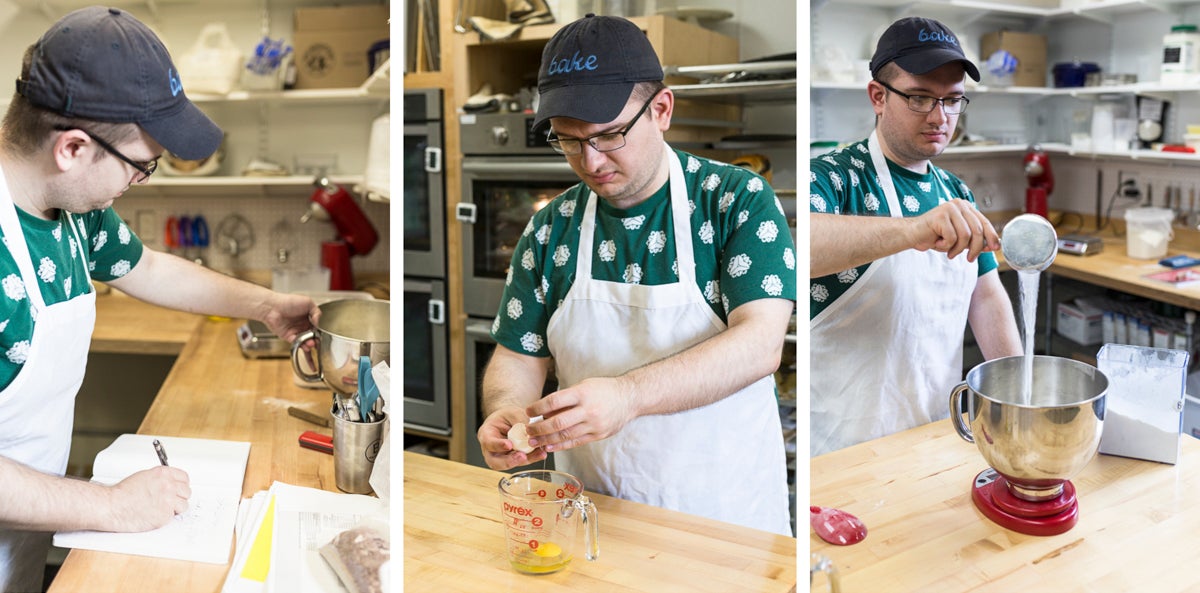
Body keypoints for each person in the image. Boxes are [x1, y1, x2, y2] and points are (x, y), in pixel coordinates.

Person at [0, 7, 318, 590]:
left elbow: (147, 268)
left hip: (22, 530)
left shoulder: (71, 211)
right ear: (72, 148)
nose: (140, 182)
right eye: (142, 166)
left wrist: (265, 305)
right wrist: (111, 506)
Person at [476, 14, 797, 537]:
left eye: (609, 135)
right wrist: (508, 411)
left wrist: (627, 397)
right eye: (569, 141)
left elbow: (760, 345)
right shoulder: (549, 228)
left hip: (722, 525)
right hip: (593, 519)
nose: (590, 160)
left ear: (662, 109)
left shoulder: (734, 201)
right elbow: (517, 355)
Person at [809, 16, 1023, 457]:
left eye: (952, 100)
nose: (940, 117)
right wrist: (913, 228)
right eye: (921, 98)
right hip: (844, 446)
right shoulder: (834, 178)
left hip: (935, 433)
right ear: (878, 97)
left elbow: (985, 296)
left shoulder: (955, 192)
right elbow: (802, 247)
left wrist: (1017, 388)